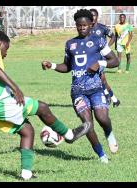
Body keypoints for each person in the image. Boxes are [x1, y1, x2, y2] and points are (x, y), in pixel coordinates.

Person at [0, 30, 91, 180]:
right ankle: (69, 135)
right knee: (42, 107)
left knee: (27, 131)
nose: (5, 53)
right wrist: (16, 89)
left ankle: (26, 174)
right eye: (6, 49)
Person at [41, 9, 119, 164]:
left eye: (85, 25)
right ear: (76, 26)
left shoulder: (98, 41)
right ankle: (102, 155)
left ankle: (109, 134)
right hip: (77, 92)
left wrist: (100, 63)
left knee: (102, 118)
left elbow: (115, 61)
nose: (82, 28)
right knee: (87, 125)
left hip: (96, 88)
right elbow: (67, 66)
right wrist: (52, 65)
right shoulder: (70, 44)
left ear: (91, 25)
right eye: (79, 25)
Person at [89, 8, 120, 108]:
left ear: (97, 17)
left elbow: (113, 37)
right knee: (101, 80)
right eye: (91, 15)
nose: (92, 17)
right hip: (91, 57)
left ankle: (108, 97)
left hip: (101, 57)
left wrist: (107, 47)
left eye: (94, 15)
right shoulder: (86, 29)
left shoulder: (102, 28)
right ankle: (114, 99)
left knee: (100, 79)